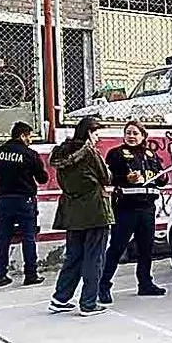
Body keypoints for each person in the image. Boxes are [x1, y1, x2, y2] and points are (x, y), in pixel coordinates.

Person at [48, 116, 114, 316]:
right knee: (95, 257)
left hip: (71, 210)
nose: (97, 139)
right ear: (89, 133)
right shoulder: (89, 152)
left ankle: (60, 298)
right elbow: (105, 176)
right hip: (95, 210)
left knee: (73, 256)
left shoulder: (61, 152)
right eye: (96, 134)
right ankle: (88, 302)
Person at [98, 120, 169, 304]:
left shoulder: (150, 154)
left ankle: (145, 283)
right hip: (125, 208)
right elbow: (109, 178)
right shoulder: (116, 154)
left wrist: (162, 177)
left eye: (135, 133)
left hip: (147, 208)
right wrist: (125, 178)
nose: (131, 136)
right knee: (117, 248)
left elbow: (160, 178)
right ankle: (103, 285)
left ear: (143, 136)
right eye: (128, 132)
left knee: (146, 248)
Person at [0, 121, 49, 287]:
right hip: (24, 200)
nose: (31, 140)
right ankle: (30, 274)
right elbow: (42, 178)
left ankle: (1, 275)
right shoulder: (30, 154)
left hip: (4, 200)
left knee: (3, 237)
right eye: (30, 136)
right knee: (28, 237)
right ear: (22, 135)